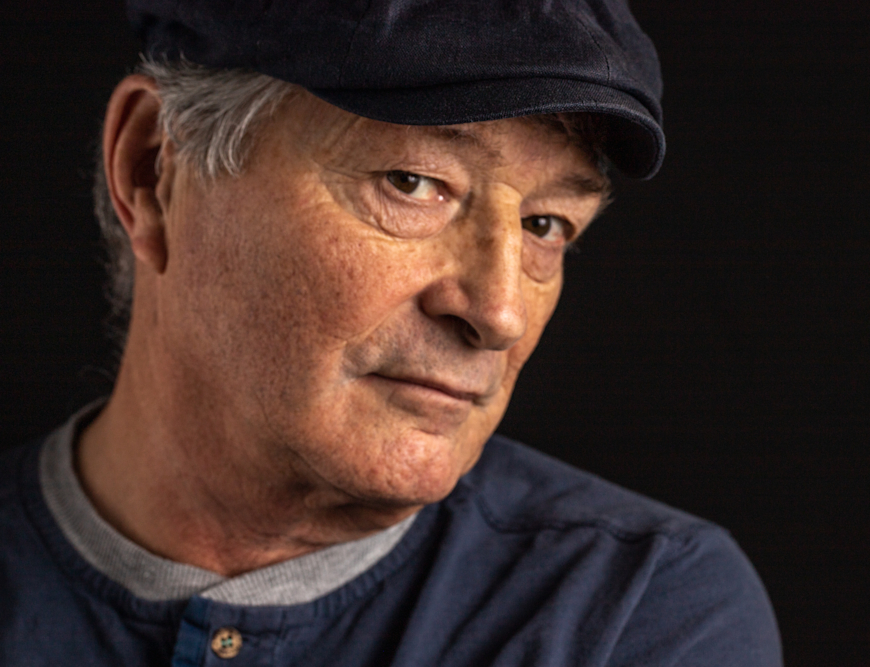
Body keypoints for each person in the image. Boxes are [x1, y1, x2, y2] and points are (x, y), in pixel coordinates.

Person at [0, 1, 782, 664]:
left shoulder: (637, 612)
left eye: (545, 224)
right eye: (412, 183)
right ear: (152, 171)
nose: (499, 311)